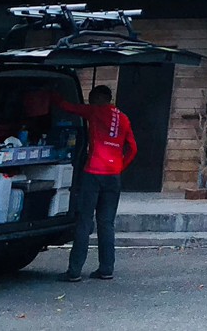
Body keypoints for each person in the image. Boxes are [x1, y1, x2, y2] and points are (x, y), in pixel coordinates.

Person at [52, 85, 137, 282]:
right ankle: (106, 269)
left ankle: (74, 271)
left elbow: (69, 107)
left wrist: (53, 96)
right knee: (106, 223)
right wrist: (119, 167)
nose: (89, 102)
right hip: (113, 176)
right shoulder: (123, 118)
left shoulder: (95, 111)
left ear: (99, 98)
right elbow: (133, 148)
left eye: (91, 98)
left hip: (93, 172)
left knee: (84, 221)